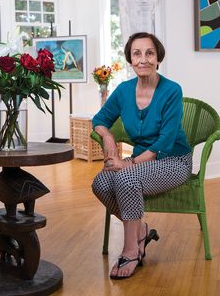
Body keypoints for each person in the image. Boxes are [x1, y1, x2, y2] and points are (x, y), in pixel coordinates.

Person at [92, 32, 192, 280]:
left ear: (158, 59)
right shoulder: (124, 90)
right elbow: (100, 120)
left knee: (125, 179)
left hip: (173, 160)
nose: (143, 59)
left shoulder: (171, 90)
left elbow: (165, 142)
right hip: (141, 161)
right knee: (101, 183)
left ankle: (130, 252)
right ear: (130, 59)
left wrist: (128, 163)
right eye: (137, 53)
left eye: (149, 53)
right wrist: (108, 138)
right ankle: (141, 231)